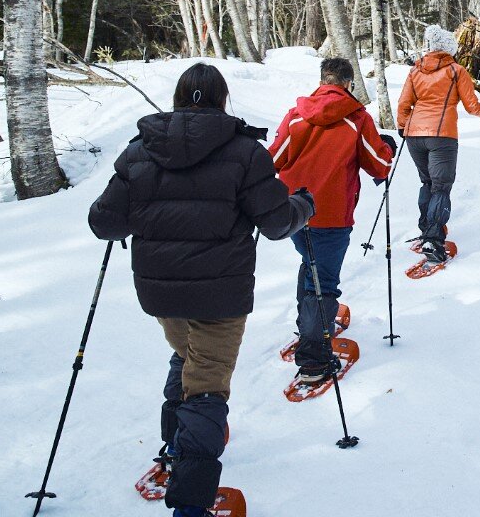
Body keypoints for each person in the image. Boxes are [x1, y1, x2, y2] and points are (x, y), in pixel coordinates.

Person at [89, 63, 314, 517]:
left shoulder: (140, 151)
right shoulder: (244, 152)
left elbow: (104, 221)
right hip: (220, 296)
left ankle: (174, 450)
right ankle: (190, 505)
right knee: (207, 385)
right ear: (221, 99)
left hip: (161, 293)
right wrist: (302, 206)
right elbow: (274, 224)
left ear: (178, 97)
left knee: (187, 358)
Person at [267, 58, 395, 385]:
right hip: (332, 212)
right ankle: (313, 359)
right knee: (322, 282)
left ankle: (309, 327)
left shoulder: (296, 115)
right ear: (348, 84)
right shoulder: (356, 118)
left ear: (323, 80)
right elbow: (379, 165)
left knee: (310, 265)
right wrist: (388, 148)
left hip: (294, 210)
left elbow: (274, 159)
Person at [396, 24, 480, 265]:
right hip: (442, 136)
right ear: (449, 49)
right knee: (441, 186)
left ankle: (428, 229)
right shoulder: (456, 70)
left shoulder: (415, 70)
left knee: (427, 182)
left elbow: (404, 103)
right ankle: (433, 238)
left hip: (414, 136)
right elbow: (472, 105)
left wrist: (403, 126)